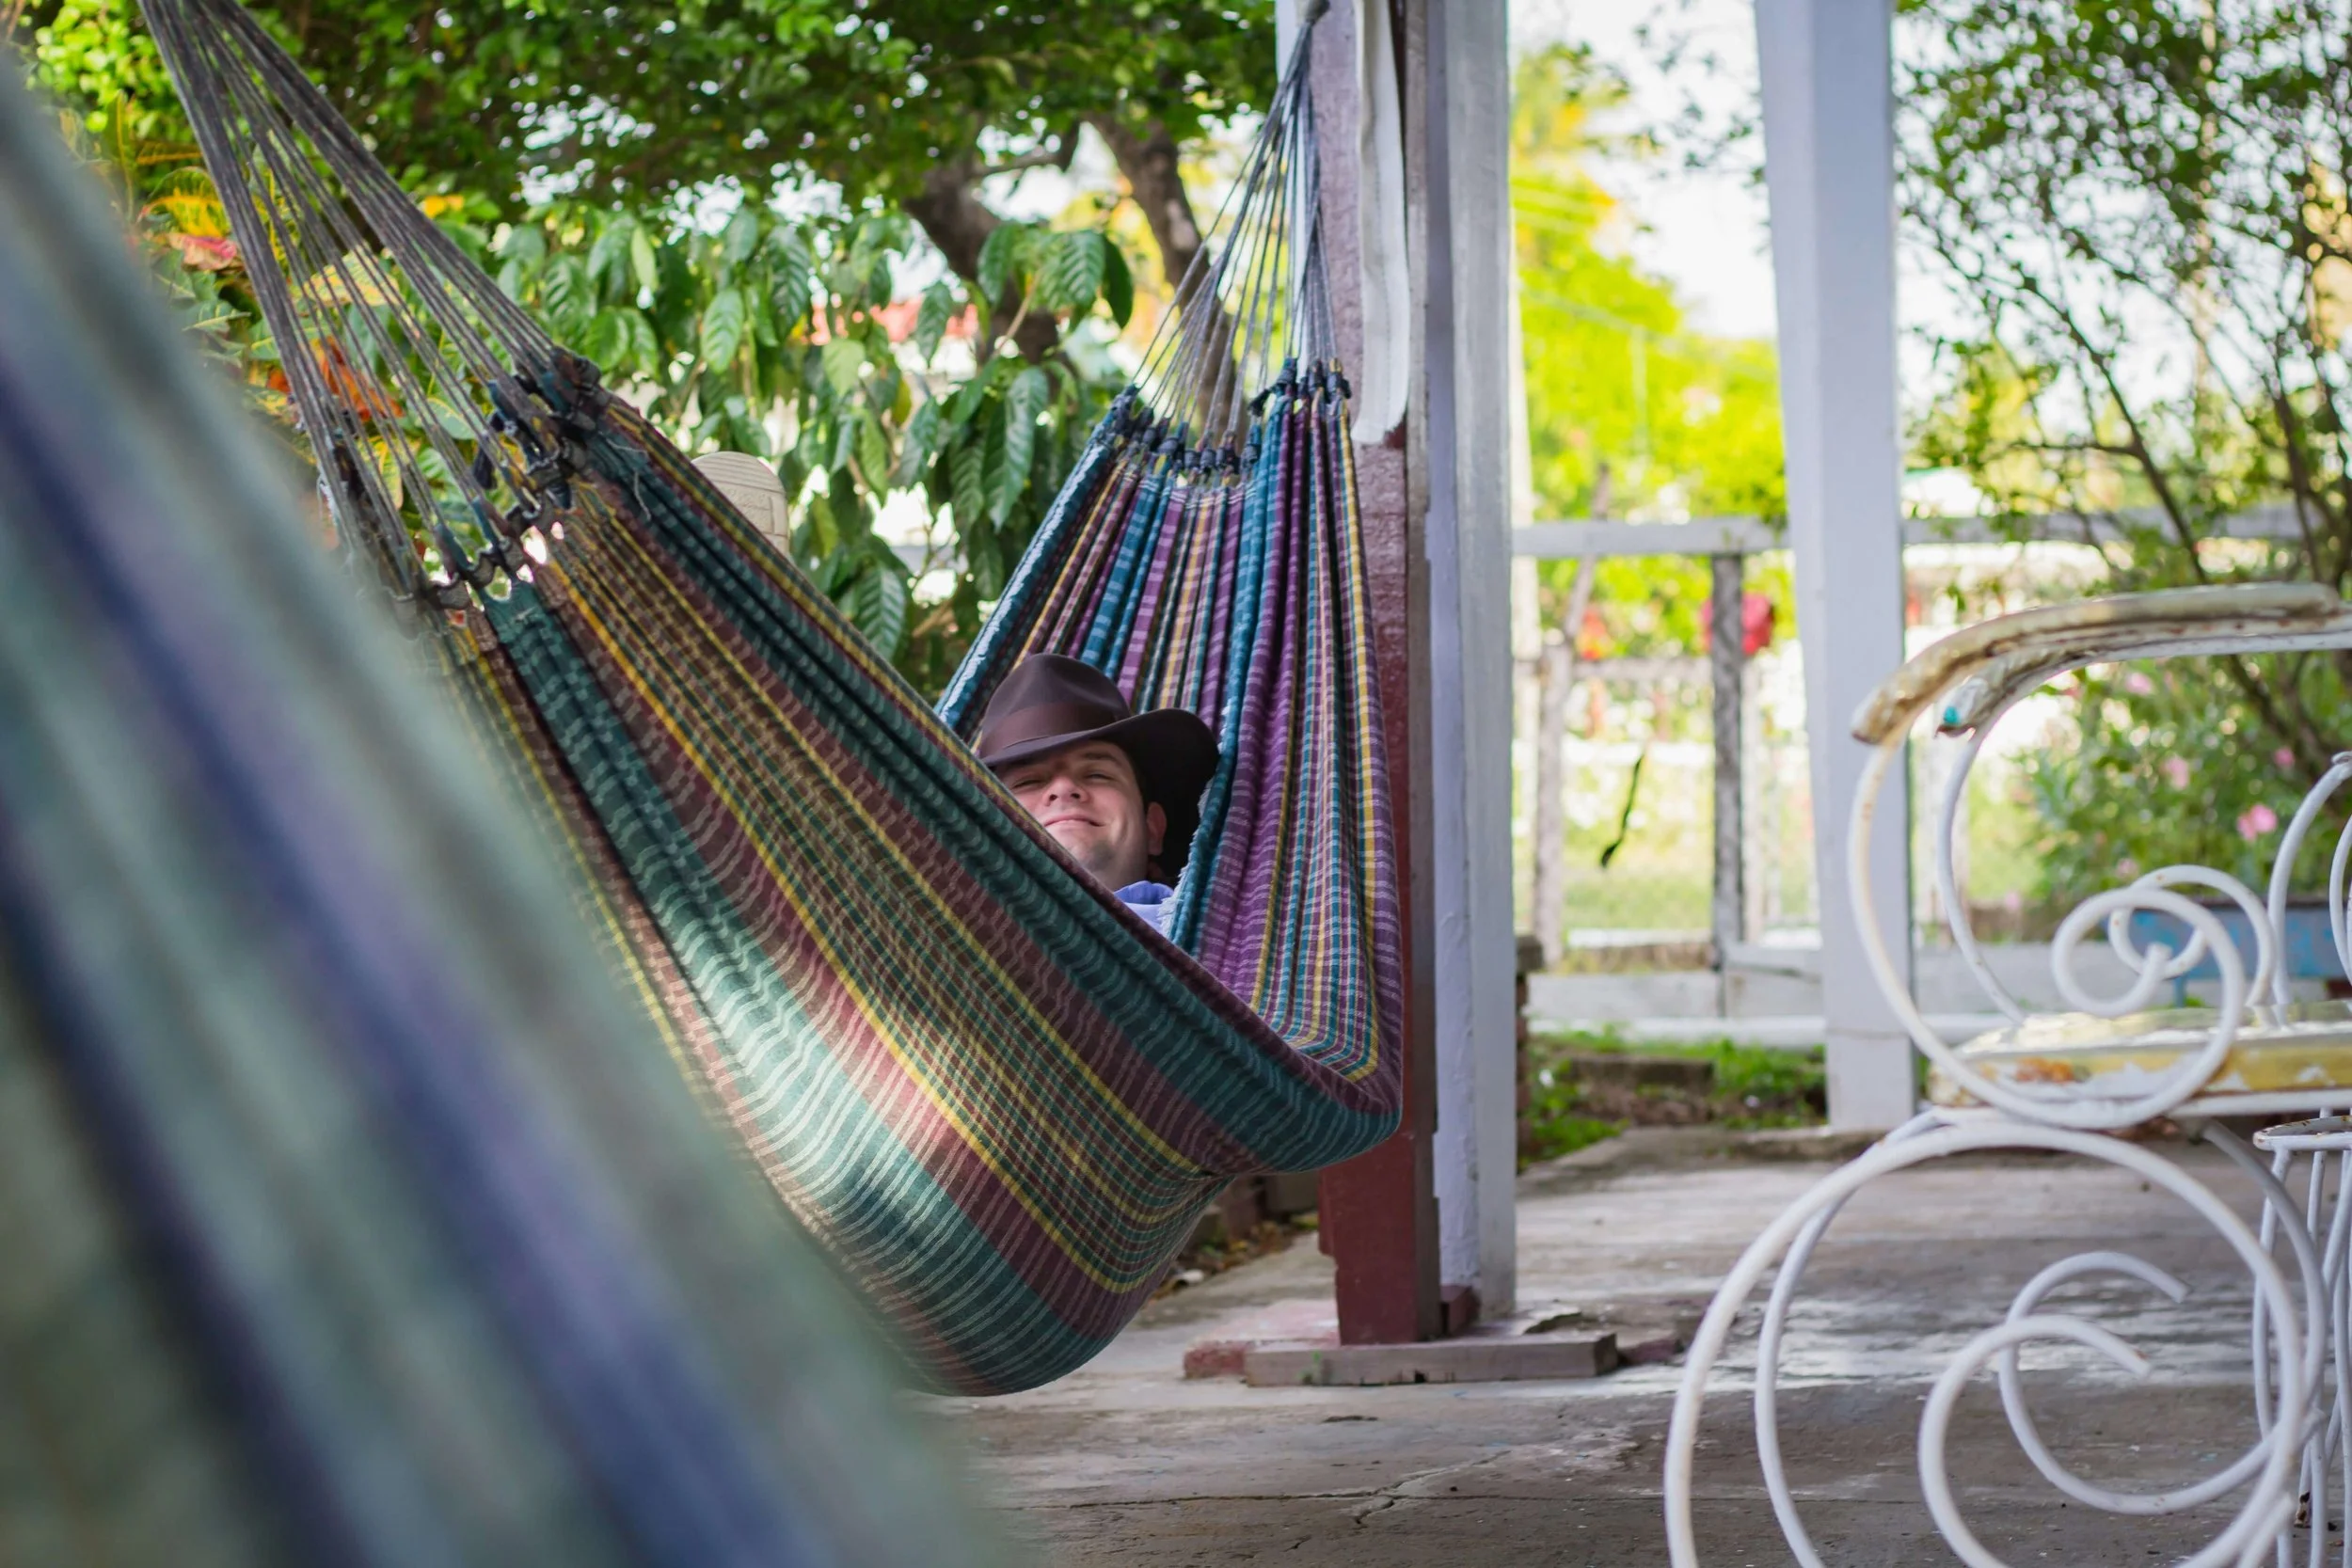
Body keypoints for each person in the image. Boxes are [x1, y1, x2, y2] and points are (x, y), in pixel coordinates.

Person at [973, 654, 1219, 936]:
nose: (1064, 788)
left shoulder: (1229, 949)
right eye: (1029, 781)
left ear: (1153, 829)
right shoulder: (937, 944)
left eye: (1097, 775)